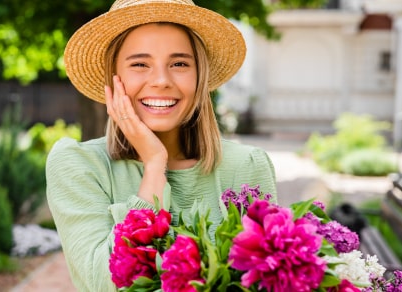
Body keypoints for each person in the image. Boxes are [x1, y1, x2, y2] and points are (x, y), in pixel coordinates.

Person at [46, 0, 277, 291]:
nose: (161, 80)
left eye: (179, 64)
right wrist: (155, 164)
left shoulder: (247, 166)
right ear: (114, 77)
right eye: (140, 64)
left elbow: (270, 279)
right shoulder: (79, 166)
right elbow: (104, 284)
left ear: (199, 76)